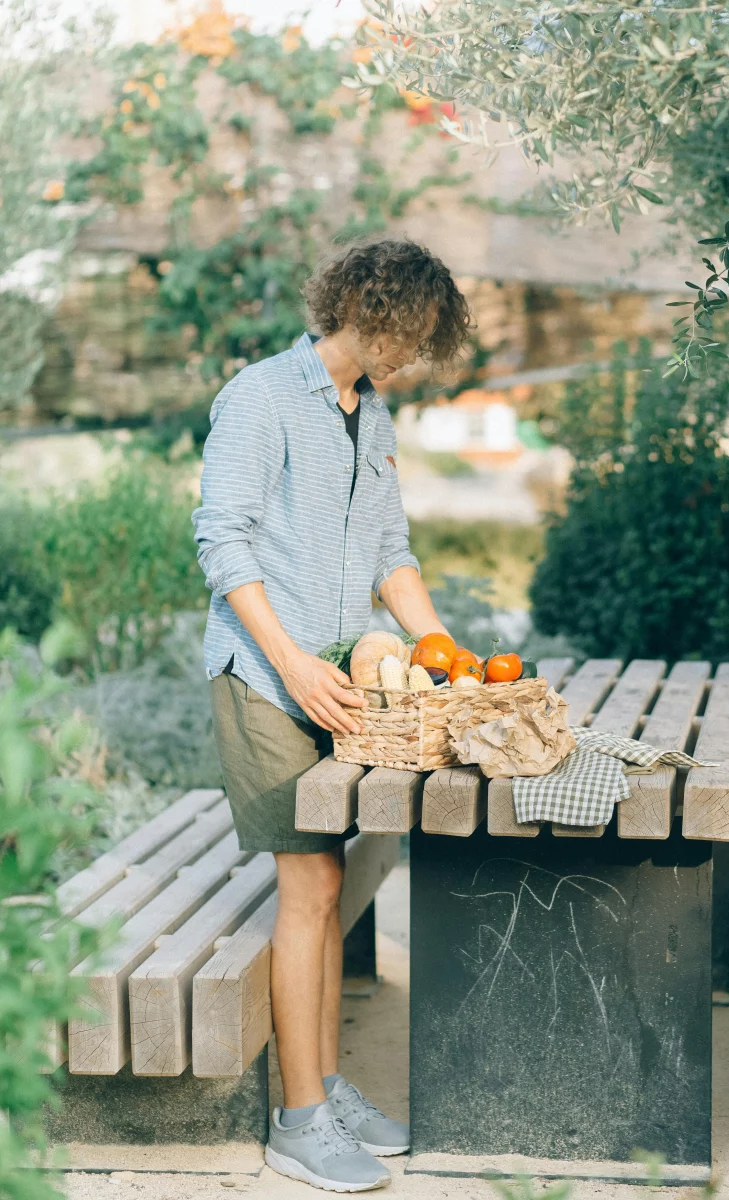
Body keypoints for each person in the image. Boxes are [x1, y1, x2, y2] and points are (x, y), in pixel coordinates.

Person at [192, 238, 472, 1192]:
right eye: (405, 335)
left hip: (342, 677)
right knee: (310, 889)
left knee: (330, 886)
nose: (410, 356)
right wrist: (296, 666)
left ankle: (325, 1087)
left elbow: (392, 549)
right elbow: (223, 547)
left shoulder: (373, 411)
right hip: (270, 680)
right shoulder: (261, 397)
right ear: (361, 306)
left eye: (423, 342)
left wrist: (447, 657)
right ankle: (300, 1119)